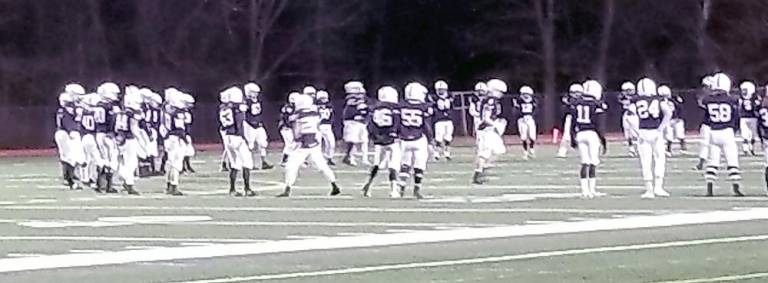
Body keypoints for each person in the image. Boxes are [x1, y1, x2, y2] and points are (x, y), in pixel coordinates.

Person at [277, 94, 341, 197]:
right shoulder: (315, 113)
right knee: (322, 165)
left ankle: (287, 189)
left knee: (291, 166)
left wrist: (295, 142)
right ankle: (334, 185)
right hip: (314, 142)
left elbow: (296, 130)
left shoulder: (298, 115)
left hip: (303, 144)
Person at [628, 78, 673, 199]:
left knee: (645, 161)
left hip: (643, 131)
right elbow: (668, 113)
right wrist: (661, 128)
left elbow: (629, 117)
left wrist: (637, 131)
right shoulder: (658, 99)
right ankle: (659, 187)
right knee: (660, 159)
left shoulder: (635, 100)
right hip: (655, 132)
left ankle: (649, 190)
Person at [702, 73, 743, 197]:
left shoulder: (707, 100)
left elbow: (707, 119)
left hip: (714, 131)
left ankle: (709, 189)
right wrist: (735, 128)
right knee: (732, 160)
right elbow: (736, 117)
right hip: (727, 131)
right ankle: (735, 187)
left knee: (713, 161)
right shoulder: (733, 99)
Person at [362, 86, 401, 198]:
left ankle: (368, 185)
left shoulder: (374, 108)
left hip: (379, 139)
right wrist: (396, 133)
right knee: (394, 164)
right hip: (392, 139)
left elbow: (370, 125)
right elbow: (397, 122)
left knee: (377, 164)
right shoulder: (395, 108)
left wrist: (374, 136)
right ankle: (394, 190)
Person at [570, 80, 607, 198]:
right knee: (593, 162)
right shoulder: (597, 104)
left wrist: (572, 138)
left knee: (584, 162)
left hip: (580, 133)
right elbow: (598, 124)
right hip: (592, 134)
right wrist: (603, 140)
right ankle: (592, 190)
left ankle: (584, 191)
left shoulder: (576, 103)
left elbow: (573, 123)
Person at [219, 87, 256, 197]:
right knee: (247, 162)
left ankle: (232, 189)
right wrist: (245, 138)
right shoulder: (237, 108)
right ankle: (247, 188)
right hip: (237, 136)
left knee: (234, 164)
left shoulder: (223, 108)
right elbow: (239, 124)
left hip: (228, 136)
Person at [397, 82, 433, 199]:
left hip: (404, 139)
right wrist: (430, 140)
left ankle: (401, 188)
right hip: (418, 138)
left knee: (405, 164)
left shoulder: (400, 105)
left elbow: (397, 122)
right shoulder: (425, 107)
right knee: (419, 164)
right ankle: (417, 189)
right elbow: (426, 125)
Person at [472, 79, 507, 185]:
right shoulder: (490, 101)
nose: (501, 94)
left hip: (490, 129)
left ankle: (483, 170)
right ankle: (478, 174)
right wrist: (496, 124)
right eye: (500, 92)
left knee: (499, 150)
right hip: (486, 130)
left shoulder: (492, 100)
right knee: (485, 152)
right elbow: (485, 118)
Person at [54, 84, 86, 190]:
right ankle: (70, 180)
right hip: (66, 133)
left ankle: (69, 178)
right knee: (71, 157)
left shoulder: (67, 107)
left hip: (63, 132)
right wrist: (71, 131)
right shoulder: (68, 107)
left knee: (68, 157)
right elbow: (68, 121)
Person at [115, 86, 144, 195]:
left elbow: (117, 127)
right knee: (132, 162)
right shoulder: (132, 113)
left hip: (121, 138)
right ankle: (129, 183)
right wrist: (141, 139)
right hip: (129, 139)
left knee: (125, 161)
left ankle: (126, 179)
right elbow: (133, 127)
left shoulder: (122, 112)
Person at [161, 88, 186, 196]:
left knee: (170, 163)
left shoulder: (165, 109)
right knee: (176, 163)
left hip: (168, 137)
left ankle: (168, 185)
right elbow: (179, 128)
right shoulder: (177, 112)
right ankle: (174, 185)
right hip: (175, 138)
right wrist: (185, 139)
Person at [243, 82, 274, 170]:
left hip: (258, 124)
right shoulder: (245, 102)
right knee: (250, 145)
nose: (256, 94)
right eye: (253, 92)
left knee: (263, 143)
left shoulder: (258, 100)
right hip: (249, 124)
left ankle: (264, 162)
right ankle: (250, 163)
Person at [342, 81, 370, 166]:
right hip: (352, 122)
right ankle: (350, 157)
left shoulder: (360, 99)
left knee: (364, 140)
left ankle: (365, 159)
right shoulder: (351, 99)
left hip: (360, 122)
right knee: (353, 140)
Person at [557, 83, 582, 158]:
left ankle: (581, 150)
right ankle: (562, 150)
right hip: (570, 118)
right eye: (575, 93)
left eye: (578, 93)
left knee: (580, 135)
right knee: (566, 135)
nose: (577, 95)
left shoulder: (581, 100)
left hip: (580, 119)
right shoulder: (568, 100)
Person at [660, 85, 686, 156]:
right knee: (669, 135)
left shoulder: (674, 99)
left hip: (676, 118)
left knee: (680, 134)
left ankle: (683, 147)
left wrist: (680, 117)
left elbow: (680, 108)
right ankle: (668, 149)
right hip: (668, 120)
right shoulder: (660, 101)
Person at [514, 85, 538, 159]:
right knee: (523, 137)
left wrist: (531, 116)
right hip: (521, 119)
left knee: (532, 136)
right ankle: (525, 152)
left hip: (530, 118)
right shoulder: (518, 101)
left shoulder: (534, 101)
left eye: (527, 94)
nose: (526, 96)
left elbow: (535, 110)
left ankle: (531, 149)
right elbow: (516, 111)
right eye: (524, 94)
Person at [432, 80, 454, 160]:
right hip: (439, 120)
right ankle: (436, 153)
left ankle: (447, 153)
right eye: (439, 89)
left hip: (448, 119)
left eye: (442, 89)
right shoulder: (434, 98)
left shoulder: (449, 97)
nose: (441, 91)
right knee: (438, 138)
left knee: (448, 137)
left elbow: (451, 107)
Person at [738, 81, 760, 156]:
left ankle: (747, 148)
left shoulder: (742, 97)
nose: (743, 91)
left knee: (748, 134)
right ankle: (749, 148)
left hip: (745, 117)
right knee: (749, 134)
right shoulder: (755, 97)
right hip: (751, 117)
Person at [279, 92, 299, 166]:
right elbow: (288, 119)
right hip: (286, 128)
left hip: (289, 127)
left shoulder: (293, 107)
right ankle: (285, 160)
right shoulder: (288, 108)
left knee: (293, 144)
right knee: (290, 144)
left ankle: (290, 159)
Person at [316, 90, 336, 165]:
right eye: (322, 98)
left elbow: (331, 116)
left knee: (331, 143)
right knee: (317, 144)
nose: (324, 100)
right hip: (318, 126)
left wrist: (330, 123)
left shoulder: (329, 106)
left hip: (327, 126)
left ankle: (329, 157)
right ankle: (317, 159)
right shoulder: (314, 106)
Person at [619, 81, 639, 157]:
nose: (628, 92)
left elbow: (632, 99)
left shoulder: (636, 97)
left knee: (637, 133)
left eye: (629, 90)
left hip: (634, 116)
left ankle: (640, 148)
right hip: (626, 115)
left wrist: (627, 96)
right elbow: (620, 99)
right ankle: (631, 149)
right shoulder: (622, 97)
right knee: (628, 134)